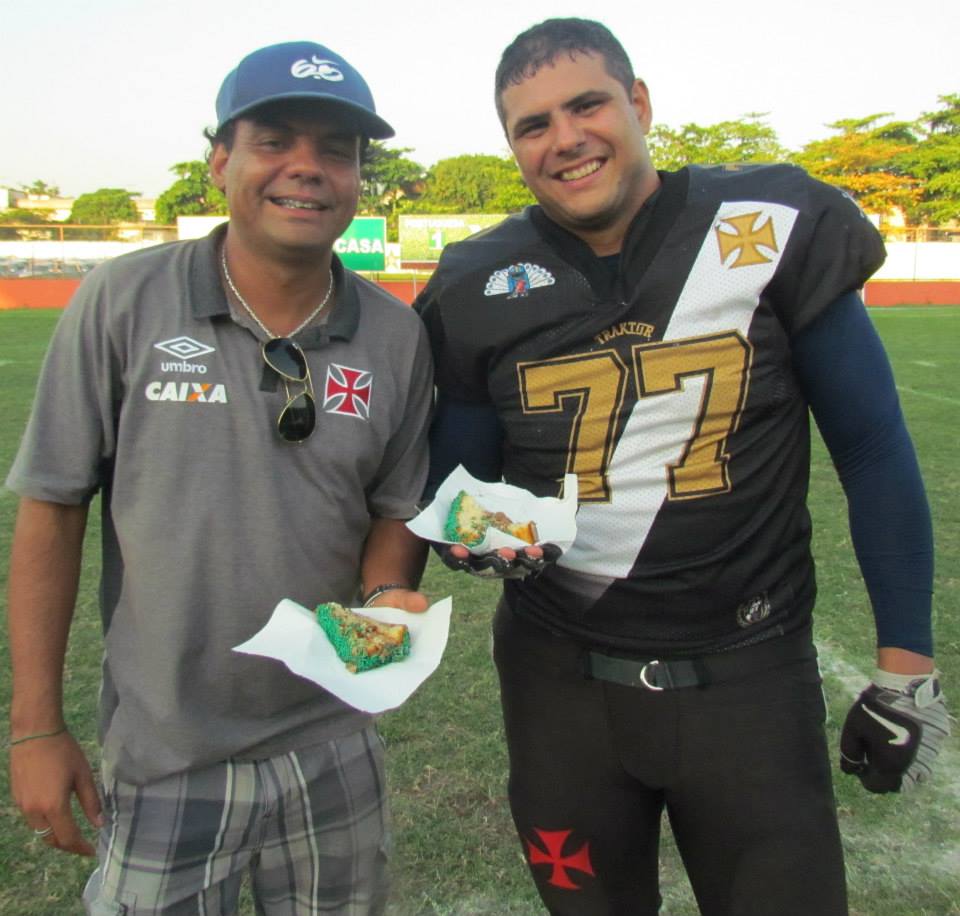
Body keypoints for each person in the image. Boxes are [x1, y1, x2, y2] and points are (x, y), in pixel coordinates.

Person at [415, 17, 950, 916]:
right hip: (560, 686)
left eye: (587, 105)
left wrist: (906, 663)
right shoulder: (478, 279)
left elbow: (871, 446)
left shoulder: (767, 220)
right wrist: (468, 540)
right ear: (511, 146)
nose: (565, 138)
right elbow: (458, 492)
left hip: (750, 674)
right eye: (533, 125)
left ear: (639, 103)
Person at [7, 40, 432, 915]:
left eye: (337, 151)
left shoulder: (396, 335)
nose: (307, 168)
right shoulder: (123, 300)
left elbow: (393, 508)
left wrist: (387, 592)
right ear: (220, 161)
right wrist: (36, 727)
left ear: (360, 179)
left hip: (333, 740)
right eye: (274, 141)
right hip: (167, 754)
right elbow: (53, 509)